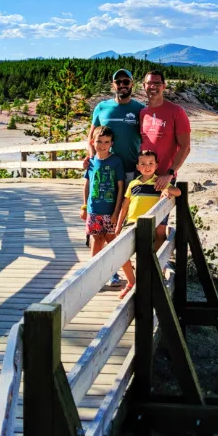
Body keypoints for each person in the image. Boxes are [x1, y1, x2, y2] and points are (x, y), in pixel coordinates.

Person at [85, 68, 144, 285]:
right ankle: (109, 271)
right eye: (118, 81)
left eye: (126, 81)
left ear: (132, 83)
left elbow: (148, 138)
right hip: (104, 173)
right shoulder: (102, 107)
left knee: (121, 223)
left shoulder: (140, 109)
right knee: (103, 222)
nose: (122, 84)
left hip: (130, 172)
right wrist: (91, 159)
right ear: (113, 85)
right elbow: (91, 136)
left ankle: (125, 266)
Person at [114, 150, 181, 298]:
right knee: (120, 253)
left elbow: (178, 192)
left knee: (143, 256)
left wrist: (166, 191)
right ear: (138, 166)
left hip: (149, 225)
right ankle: (131, 282)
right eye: (143, 164)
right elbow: (125, 206)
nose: (147, 166)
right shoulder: (133, 184)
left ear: (156, 165)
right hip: (131, 223)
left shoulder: (159, 182)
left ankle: (145, 285)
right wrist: (118, 226)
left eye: (151, 163)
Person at [139, 70, 191, 249]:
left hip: (164, 178)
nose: (152, 87)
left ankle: (157, 270)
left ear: (164, 86)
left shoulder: (176, 111)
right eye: (149, 83)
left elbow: (185, 147)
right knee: (141, 223)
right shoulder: (143, 113)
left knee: (160, 227)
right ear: (144, 86)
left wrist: (169, 174)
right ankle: (145, 262)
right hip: (144, 176)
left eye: (157, 83)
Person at [81, 126, 125, 268]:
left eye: (107, 142)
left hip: (110, 210)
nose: (103, 145)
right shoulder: (91, 162)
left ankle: (113, 272)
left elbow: (120, 187)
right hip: (93, 210)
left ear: (112, 143)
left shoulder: (116, 161)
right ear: (93, 142)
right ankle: (92, 269)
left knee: (111, 240)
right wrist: (85, 207)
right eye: (99, 142)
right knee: (96, 239)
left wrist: (116, 212)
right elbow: (87, 185)